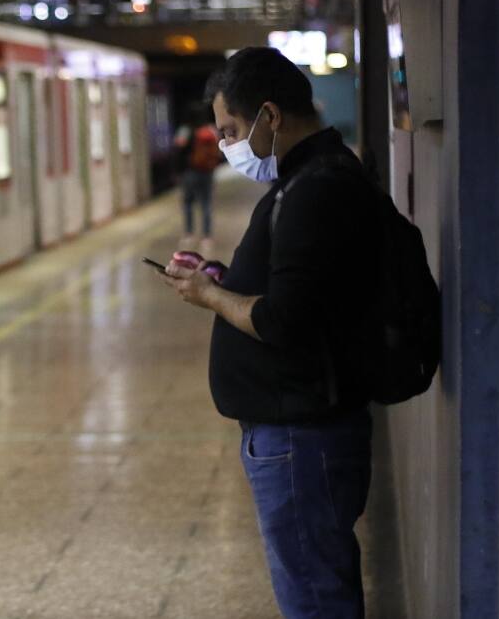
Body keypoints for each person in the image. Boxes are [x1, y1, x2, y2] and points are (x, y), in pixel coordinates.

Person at [157, 47, 382, 619]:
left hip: (299, 437)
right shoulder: (312, 176)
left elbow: (284, 319)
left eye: (231, 130)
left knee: (313, 597)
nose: (230, 144)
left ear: (270, 116)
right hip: (299, 430)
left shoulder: (315, 189)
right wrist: (225, 281)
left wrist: (209, 295)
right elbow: (298, 291)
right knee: (315, 581)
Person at [172, 104, 221, 250]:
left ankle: (189, 234)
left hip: (190, 172)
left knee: (188, 203)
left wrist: (177, 171)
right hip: (207, 172)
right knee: (206, 204)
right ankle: (207, 237)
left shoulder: (185, 130)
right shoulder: (212, 130)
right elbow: (219, 152)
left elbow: (178, 151)